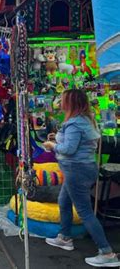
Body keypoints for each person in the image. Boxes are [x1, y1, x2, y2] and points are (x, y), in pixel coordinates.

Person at [43, 90, 119, 268]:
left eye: (62, 99)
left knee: (85, 211)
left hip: (76, 170)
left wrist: (52, 145)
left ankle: (107, 252)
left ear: (71, 103)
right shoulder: (84, 121)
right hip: (82, 169)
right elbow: (75, 142)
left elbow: (68, 149)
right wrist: (58, 138)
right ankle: (64, 237)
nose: (59, 102)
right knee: (63, 200)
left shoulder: (75, 123)